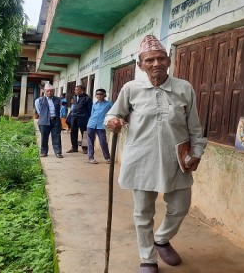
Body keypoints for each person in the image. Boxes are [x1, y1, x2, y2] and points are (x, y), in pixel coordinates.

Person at [105, 35, 206, 273]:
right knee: (142, 212)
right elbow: (112, 114)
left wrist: (198, 151)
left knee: (180, 206)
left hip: (177, 159)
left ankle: (161, 239)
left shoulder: (184, 88)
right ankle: (147, 259)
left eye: (161, 58)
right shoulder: (131, 89)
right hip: (142, 159)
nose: (156, 63)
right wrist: (113, 122)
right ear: (140, 66)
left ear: (169, 61)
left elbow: (195, 127)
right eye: (149, 60)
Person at [34, 84, 63, 158]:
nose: (49, 92)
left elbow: (60, 109)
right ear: (45, 91)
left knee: (56, 136)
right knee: (44, 137)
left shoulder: (58, 99)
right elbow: (39, 110)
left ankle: (58, 152)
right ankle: (44, 152)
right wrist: (45, 116)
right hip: (44, 121)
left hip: (55, 121)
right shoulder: (39, 100)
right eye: (48, 91)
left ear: (54, 91)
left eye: (51, 91)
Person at [86, 89, 113, 164]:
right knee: (90, 142)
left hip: (101, 126)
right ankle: (90, 158)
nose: (99, 95)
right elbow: (92, 114)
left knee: (103, 142)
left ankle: (107, 158)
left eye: (101, 94)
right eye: (97, 94)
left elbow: (114, 112)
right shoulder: (94, 104)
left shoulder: (109, 104)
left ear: (104, 95)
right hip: (91, 124)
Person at [67, 85, 92, 153]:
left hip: (83, 117)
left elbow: (90, 109)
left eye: (77, 90)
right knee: (73, 132)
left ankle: (85, 148)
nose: (75, 91)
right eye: (75, 89)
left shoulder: (87, 98)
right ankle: (74, 147)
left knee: (84, 132)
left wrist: (89, 118)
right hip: (74, 117)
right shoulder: (74, 97)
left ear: (82, 91)